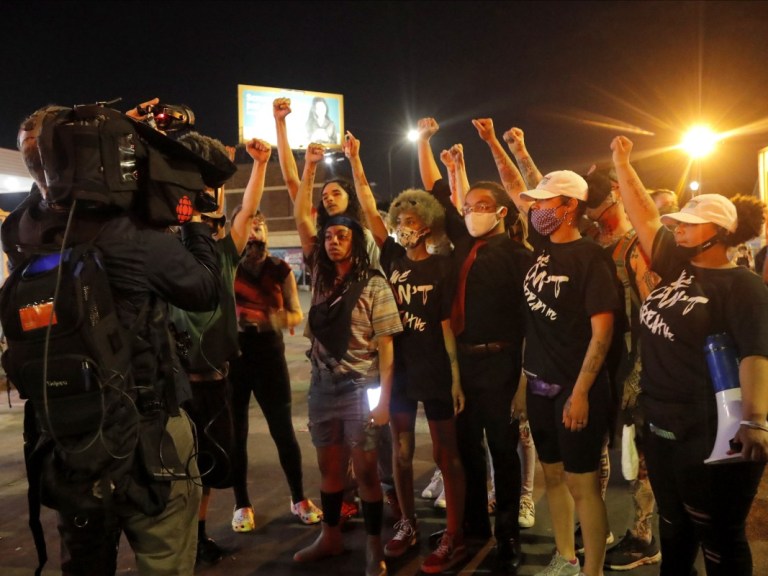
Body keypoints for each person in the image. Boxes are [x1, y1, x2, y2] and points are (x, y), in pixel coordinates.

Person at [3, 103, 226, 575]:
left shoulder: (23, 233)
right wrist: (196, 222)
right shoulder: (131, 236)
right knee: (165, 560)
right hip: (150, 437)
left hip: (68, 440)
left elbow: (44, 188)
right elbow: (205, 290)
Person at [611, 135, 768, 576]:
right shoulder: (679, 268)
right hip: (661, 423)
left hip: (710, 430)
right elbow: (642, 216)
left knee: (719, 537)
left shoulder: (743, 286)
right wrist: (622, 162)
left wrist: (755, 421)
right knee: (674, 526)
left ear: (718, 232)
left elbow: (757, 354)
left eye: (687, 224)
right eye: (676, 224)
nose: (676, 229)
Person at [477, 117, 620, 576]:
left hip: (577, 391)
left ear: (570, 207)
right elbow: (516, 186)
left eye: (546, 203)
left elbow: (603, 333)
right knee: (553, 477)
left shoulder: (592, 259)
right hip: (538, 384)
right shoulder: (540, 247)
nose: (535, 209)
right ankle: (565, 556)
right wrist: (499, 144)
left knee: (584, 486)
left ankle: (592, 570)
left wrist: (580, 392)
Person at [344, 131, 468, 573]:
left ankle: (453, 534)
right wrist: (355, 161)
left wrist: (454, 378)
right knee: (397, 450)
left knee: (444, 452)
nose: (404, 223)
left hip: (433, 364)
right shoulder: (392, 257)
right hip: (396, 368)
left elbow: (445, 325)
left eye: (413, 218)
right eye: (401, 216)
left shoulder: (443, 264)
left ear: (429, 223)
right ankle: (407, 524)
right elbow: (366, 206)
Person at [419, 117, 532, 573]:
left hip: (503, 365)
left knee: (503, 452)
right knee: (465, 451)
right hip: (460, 367)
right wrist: (426, 143)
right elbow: (435, 189)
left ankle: (506, 534)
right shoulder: (461, 243)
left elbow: (530, 324)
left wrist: (523, 377)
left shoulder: (521, 258)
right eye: (467, 205)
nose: (470, 211)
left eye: (481, 205)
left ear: (502, 212)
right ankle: (472, 528)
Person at [292, 141, 403, 576]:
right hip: (323, 387)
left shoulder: (374, 285)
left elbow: (388, 349)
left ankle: (374, 545)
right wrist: (308, 168)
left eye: (342, 236)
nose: (334, 241)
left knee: (368, 471)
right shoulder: (318, 274)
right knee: (329, 468)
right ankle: (331, 536)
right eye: (329, 236)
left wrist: (382, 403)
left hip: (360, 387)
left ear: (356, 242)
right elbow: (303, 216)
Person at [168, 133, 260, 565]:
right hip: (179, 387)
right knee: (179, 470)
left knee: (208, 469)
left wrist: (257, 165)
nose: (208, 230)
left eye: (214, 226)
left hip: (217, 381)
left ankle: (199, 535)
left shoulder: (224, 256)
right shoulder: (168, 262)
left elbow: (245, 212)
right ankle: (182, 539)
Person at [582, 164, 662, 570]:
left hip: (634, 362)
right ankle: (597, 527)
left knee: (640, 451)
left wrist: (638, 372)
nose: (598, 217)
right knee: (599, 441)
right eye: (591, 211)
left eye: (601, 207)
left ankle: (643, 535)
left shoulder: (636, 248)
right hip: (604, 359)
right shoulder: (592, 241)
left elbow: (655, 316)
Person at [228, 203, 321, 531]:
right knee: (235, 435)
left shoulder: (281, 269)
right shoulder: (227, 269)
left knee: (283, 432)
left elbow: (297, 313)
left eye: (260, 225)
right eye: (249, 226)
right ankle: (242, 504)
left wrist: (272, 318)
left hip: (270, 357)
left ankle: (298, 498)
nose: (256, 232)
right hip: (234, 361)